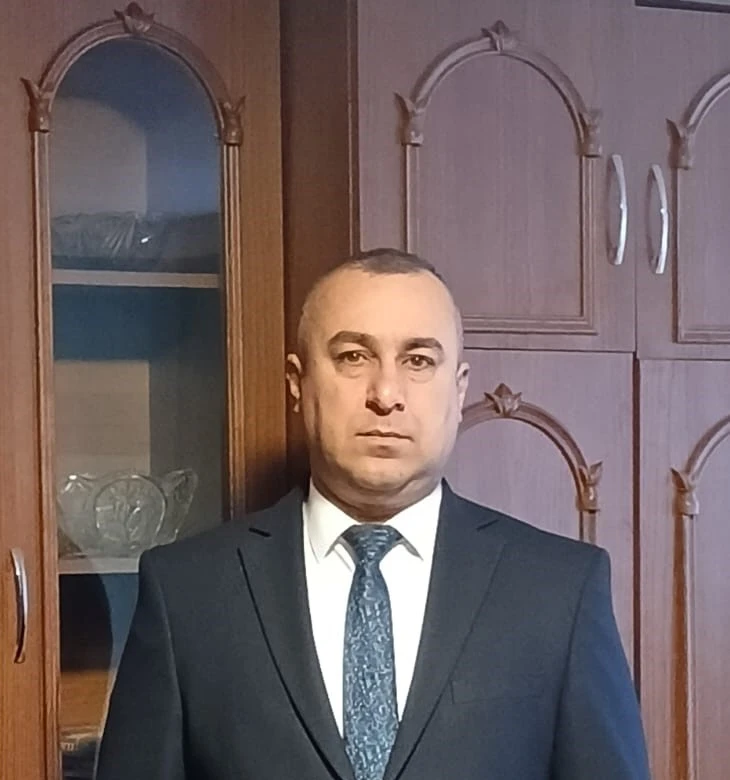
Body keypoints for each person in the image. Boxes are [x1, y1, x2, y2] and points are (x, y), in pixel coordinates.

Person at [96, 248, 651, 779]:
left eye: (418, 360)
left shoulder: (559, 591)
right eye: (353, 357)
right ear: (297, 383)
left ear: (459, 390)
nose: (386, 394)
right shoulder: (187, 592)